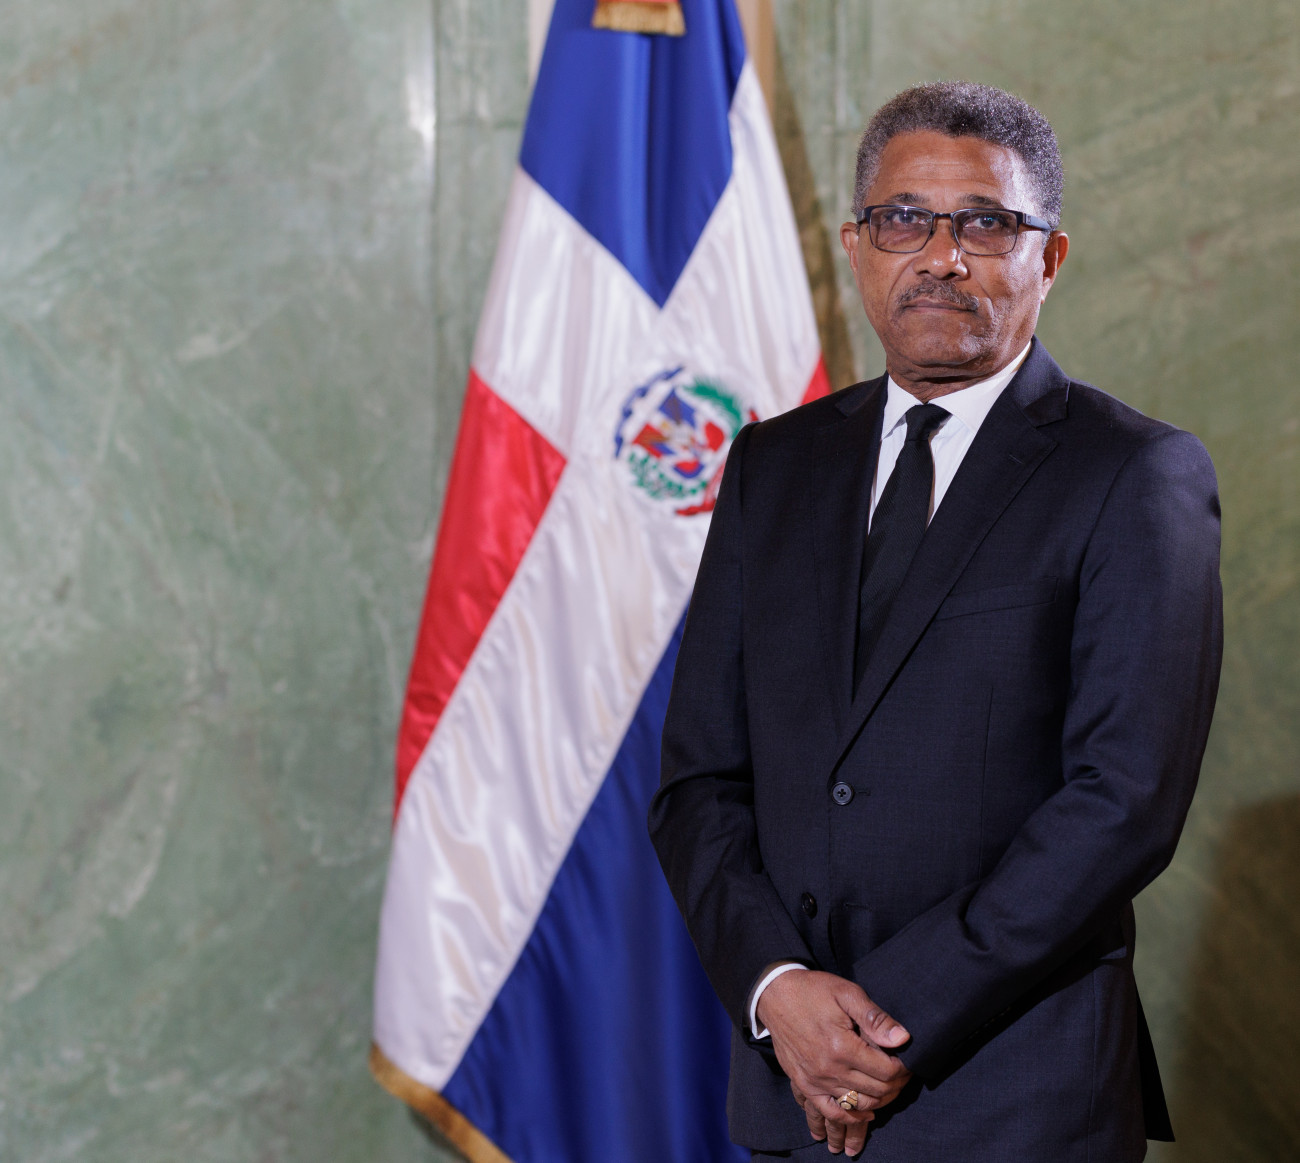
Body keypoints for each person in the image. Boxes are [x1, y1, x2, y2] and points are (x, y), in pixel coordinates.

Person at [648, 81, 1223, 1162]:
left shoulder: (1134, 473)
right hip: (790, 1086)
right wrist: (779, 989)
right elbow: (699, 779)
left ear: (1049, 259)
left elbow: (1124, 800)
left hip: (1014, 1093)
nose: (941, 257)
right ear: (857, 246)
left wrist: (885, 1022)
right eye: (903, 219)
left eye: (986, 224)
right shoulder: (773, 465)